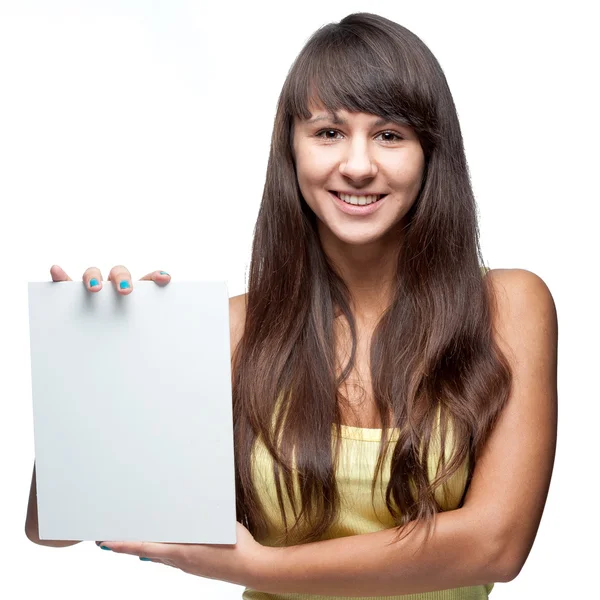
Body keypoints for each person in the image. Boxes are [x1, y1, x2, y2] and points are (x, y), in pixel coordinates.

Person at [25, 11, 558, 600]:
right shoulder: (234, 330)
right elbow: (51, 531)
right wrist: (95, 368)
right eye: (328, 133)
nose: (357, 165)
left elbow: (497, 545)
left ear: (431, 153)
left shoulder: (509, 306)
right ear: (292, 150)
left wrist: (255, 570)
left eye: (389, 134)